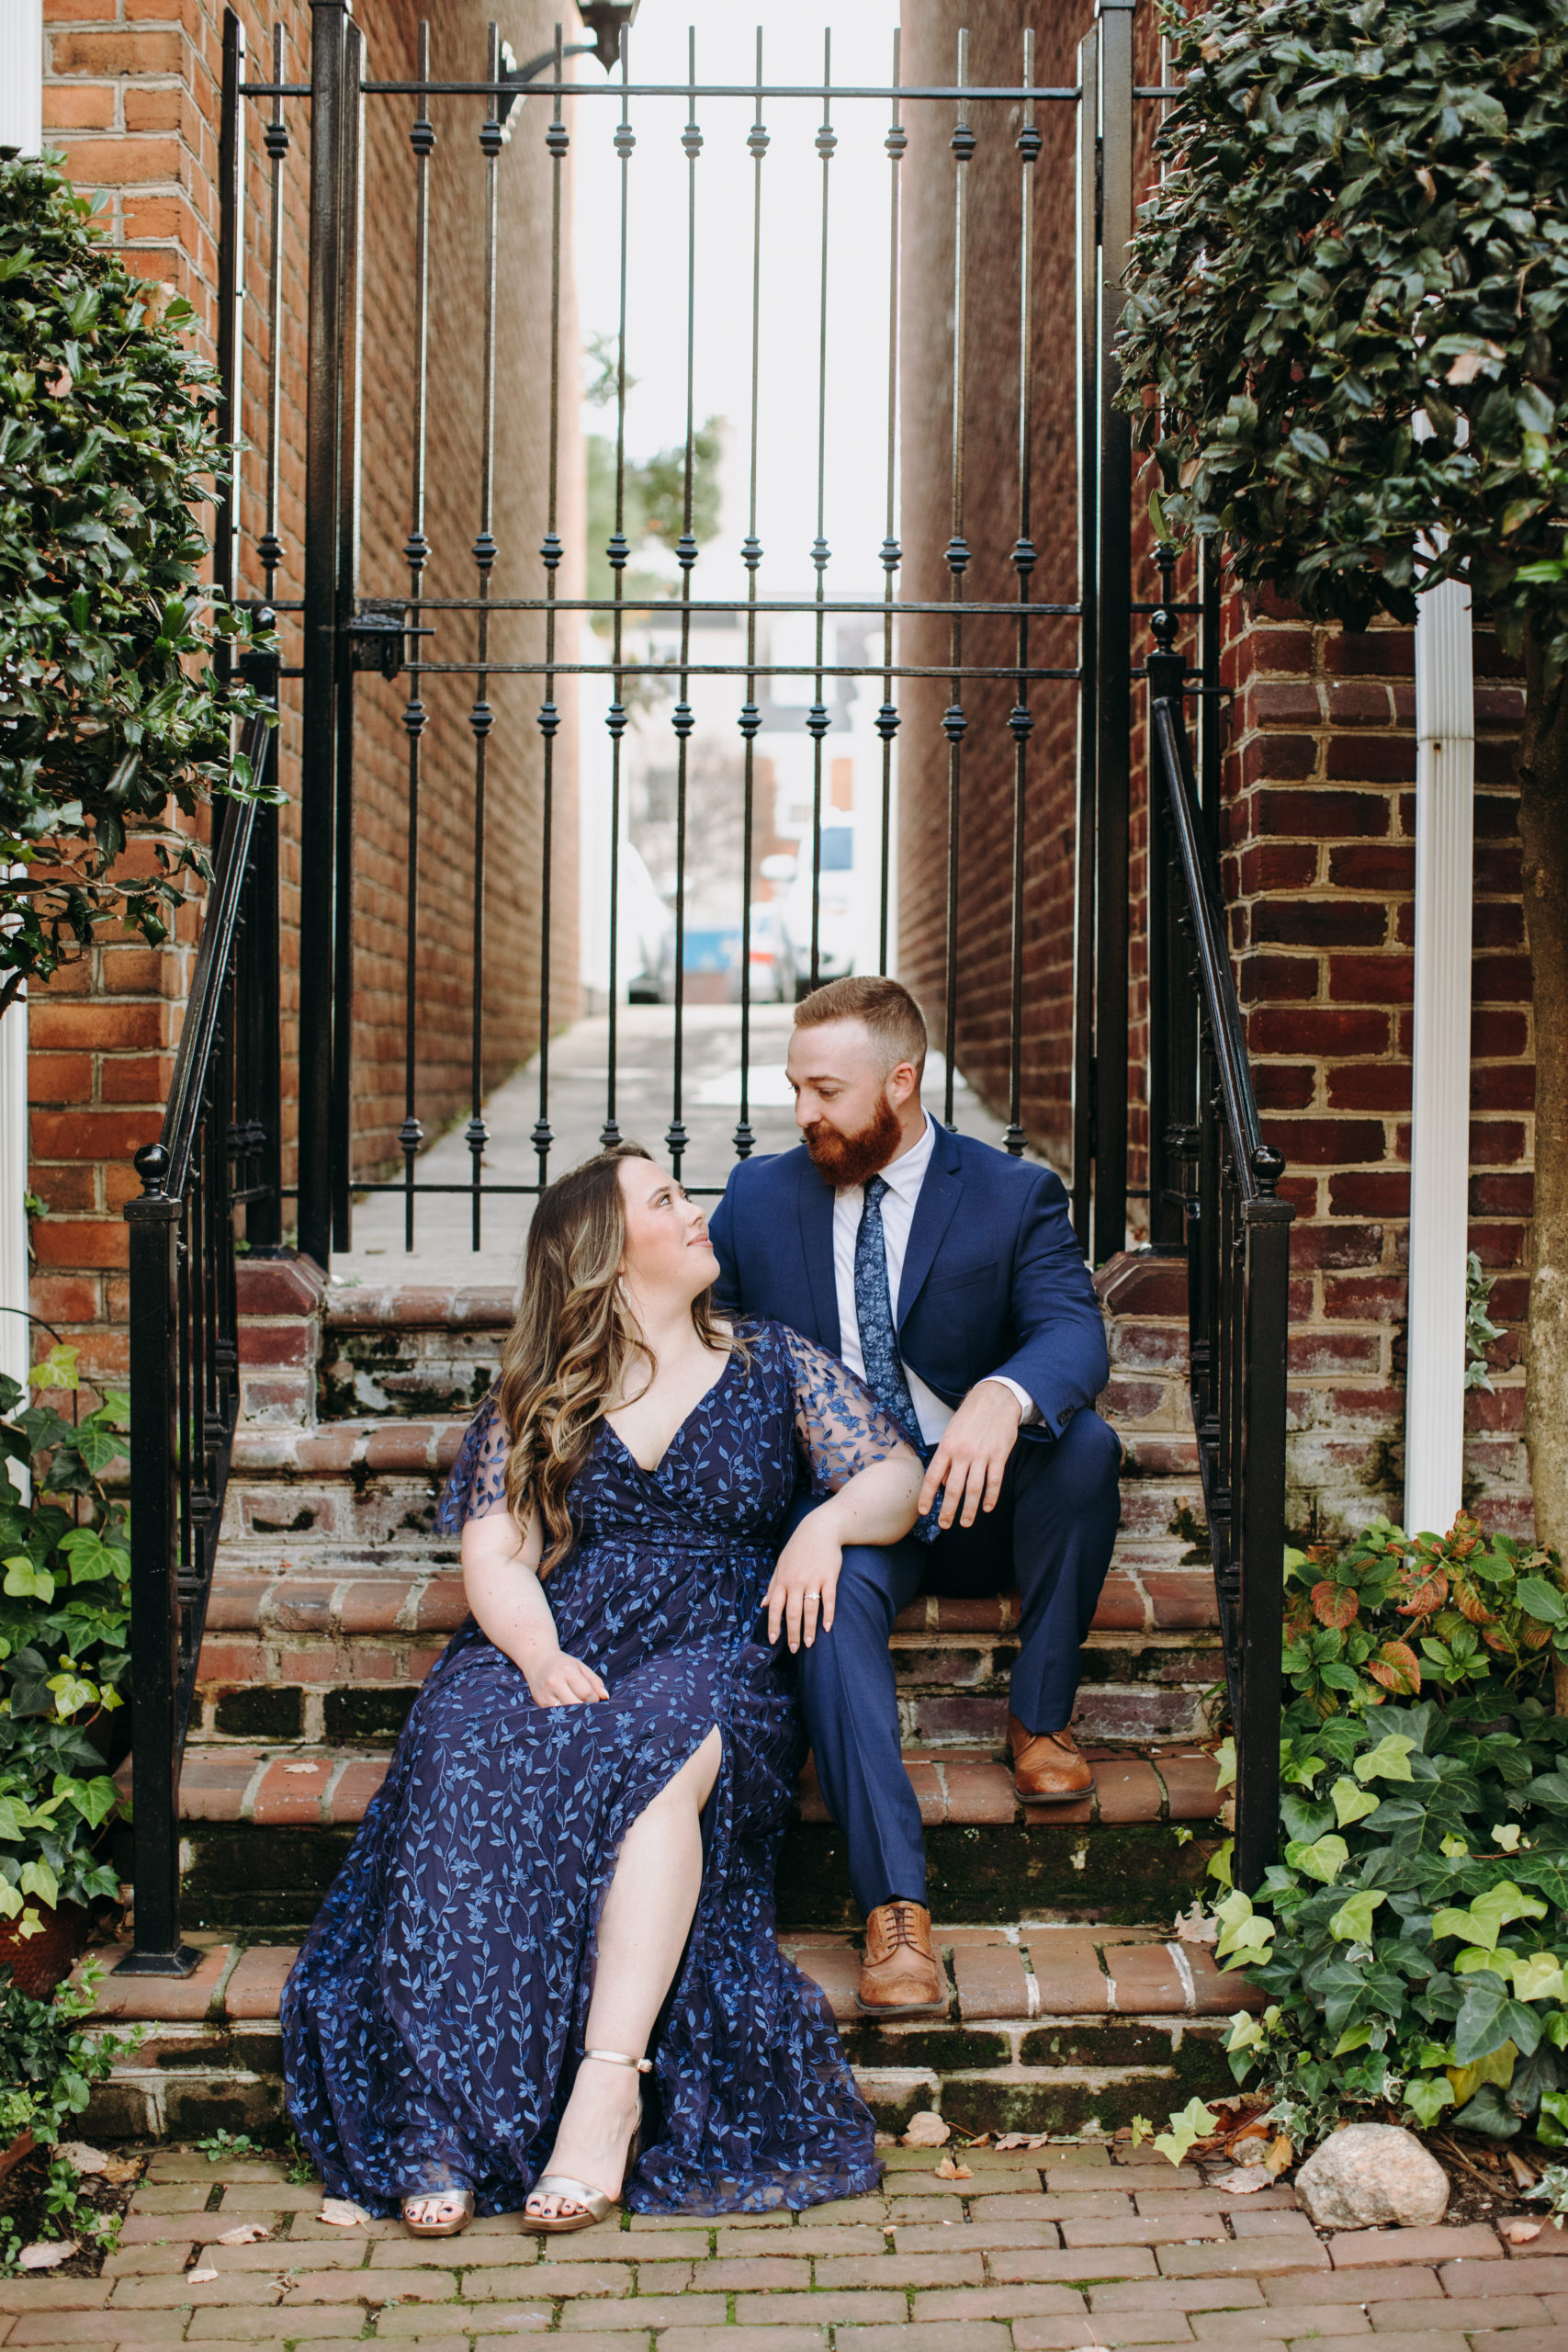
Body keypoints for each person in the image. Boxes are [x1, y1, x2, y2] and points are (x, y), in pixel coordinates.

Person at [283, 1145, 923, 2235]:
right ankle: (437, 2117)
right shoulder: (538, 1393)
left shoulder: (775, 1361)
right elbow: (495, 1557)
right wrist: (534, 1656)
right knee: (461, 1735)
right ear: (606, 1255)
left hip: (716, 1653)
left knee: (666, 1742)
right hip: (562, 1635)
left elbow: (897, 1475)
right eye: (665, 1200)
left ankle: (607, 2089)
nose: (693, 1211)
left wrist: (822, 1521)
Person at [709, 976, 1120, 2019]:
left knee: (1085, 1452)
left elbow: (1074, 1331)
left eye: (827, 1090)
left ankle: (1038, 1725)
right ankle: (895, 1907)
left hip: (976, 1491)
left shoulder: (1010, 1193)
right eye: (795, 1086)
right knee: (828, 1596)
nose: (805, 1112)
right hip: (850, 1506)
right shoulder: (761, 1198)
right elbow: (707, 1343)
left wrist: (1005, 1392)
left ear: (902, 1080)